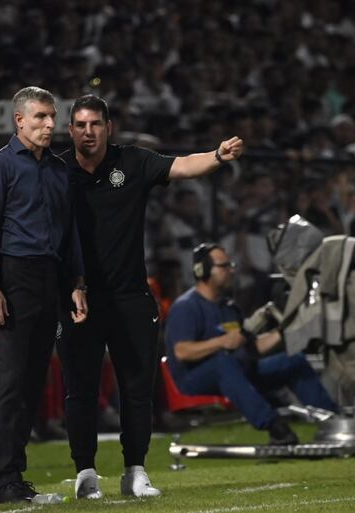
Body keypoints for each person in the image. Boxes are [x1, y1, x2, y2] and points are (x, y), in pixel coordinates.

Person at [56, 94, 243, 499]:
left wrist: (218, 154)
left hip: (131, 297)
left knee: (137, 388)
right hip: (77, 297)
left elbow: (183, 166)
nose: (88, 132)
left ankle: (135, 471)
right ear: (70, 130)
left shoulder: (133, 162)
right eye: (81, 125)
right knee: (80, 389)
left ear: (109, 128)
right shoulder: (55, 170)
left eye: (96, 124)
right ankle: (85, 472)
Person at [0, 86, 88, 504]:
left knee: (33, 381)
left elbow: (69, 232)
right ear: (19, 120)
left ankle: (16, 479)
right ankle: (5, 482)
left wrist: (75, 284)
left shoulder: (58, 169)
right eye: (40, 117)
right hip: (14, 278)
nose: (49, 125)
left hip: (50, 278)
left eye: (52, 117)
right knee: (9, 383)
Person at [164, 243, 337, 444]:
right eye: (224, 266)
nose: (231, 270)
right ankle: (275, 426)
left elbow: (252, 348)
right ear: (202, 271)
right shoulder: (186, 306)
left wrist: (285, 331)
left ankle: (333, 422)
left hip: (235, 371)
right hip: (195, 378)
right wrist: (223, 341)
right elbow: (182, 352)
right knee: (223, 363)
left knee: (293, 361)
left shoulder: (228, 306)